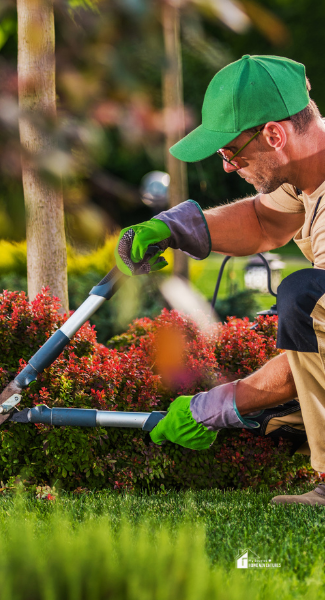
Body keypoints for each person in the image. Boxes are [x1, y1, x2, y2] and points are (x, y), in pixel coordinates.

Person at [116, 55, 325, 506]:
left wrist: (212, 408)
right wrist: (176, 228)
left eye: (231, 152)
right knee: (279, 409)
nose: (228, 167)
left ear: (274, 134)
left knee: (304, 300)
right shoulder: (308, 165)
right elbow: (264, 221)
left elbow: (310, 355)